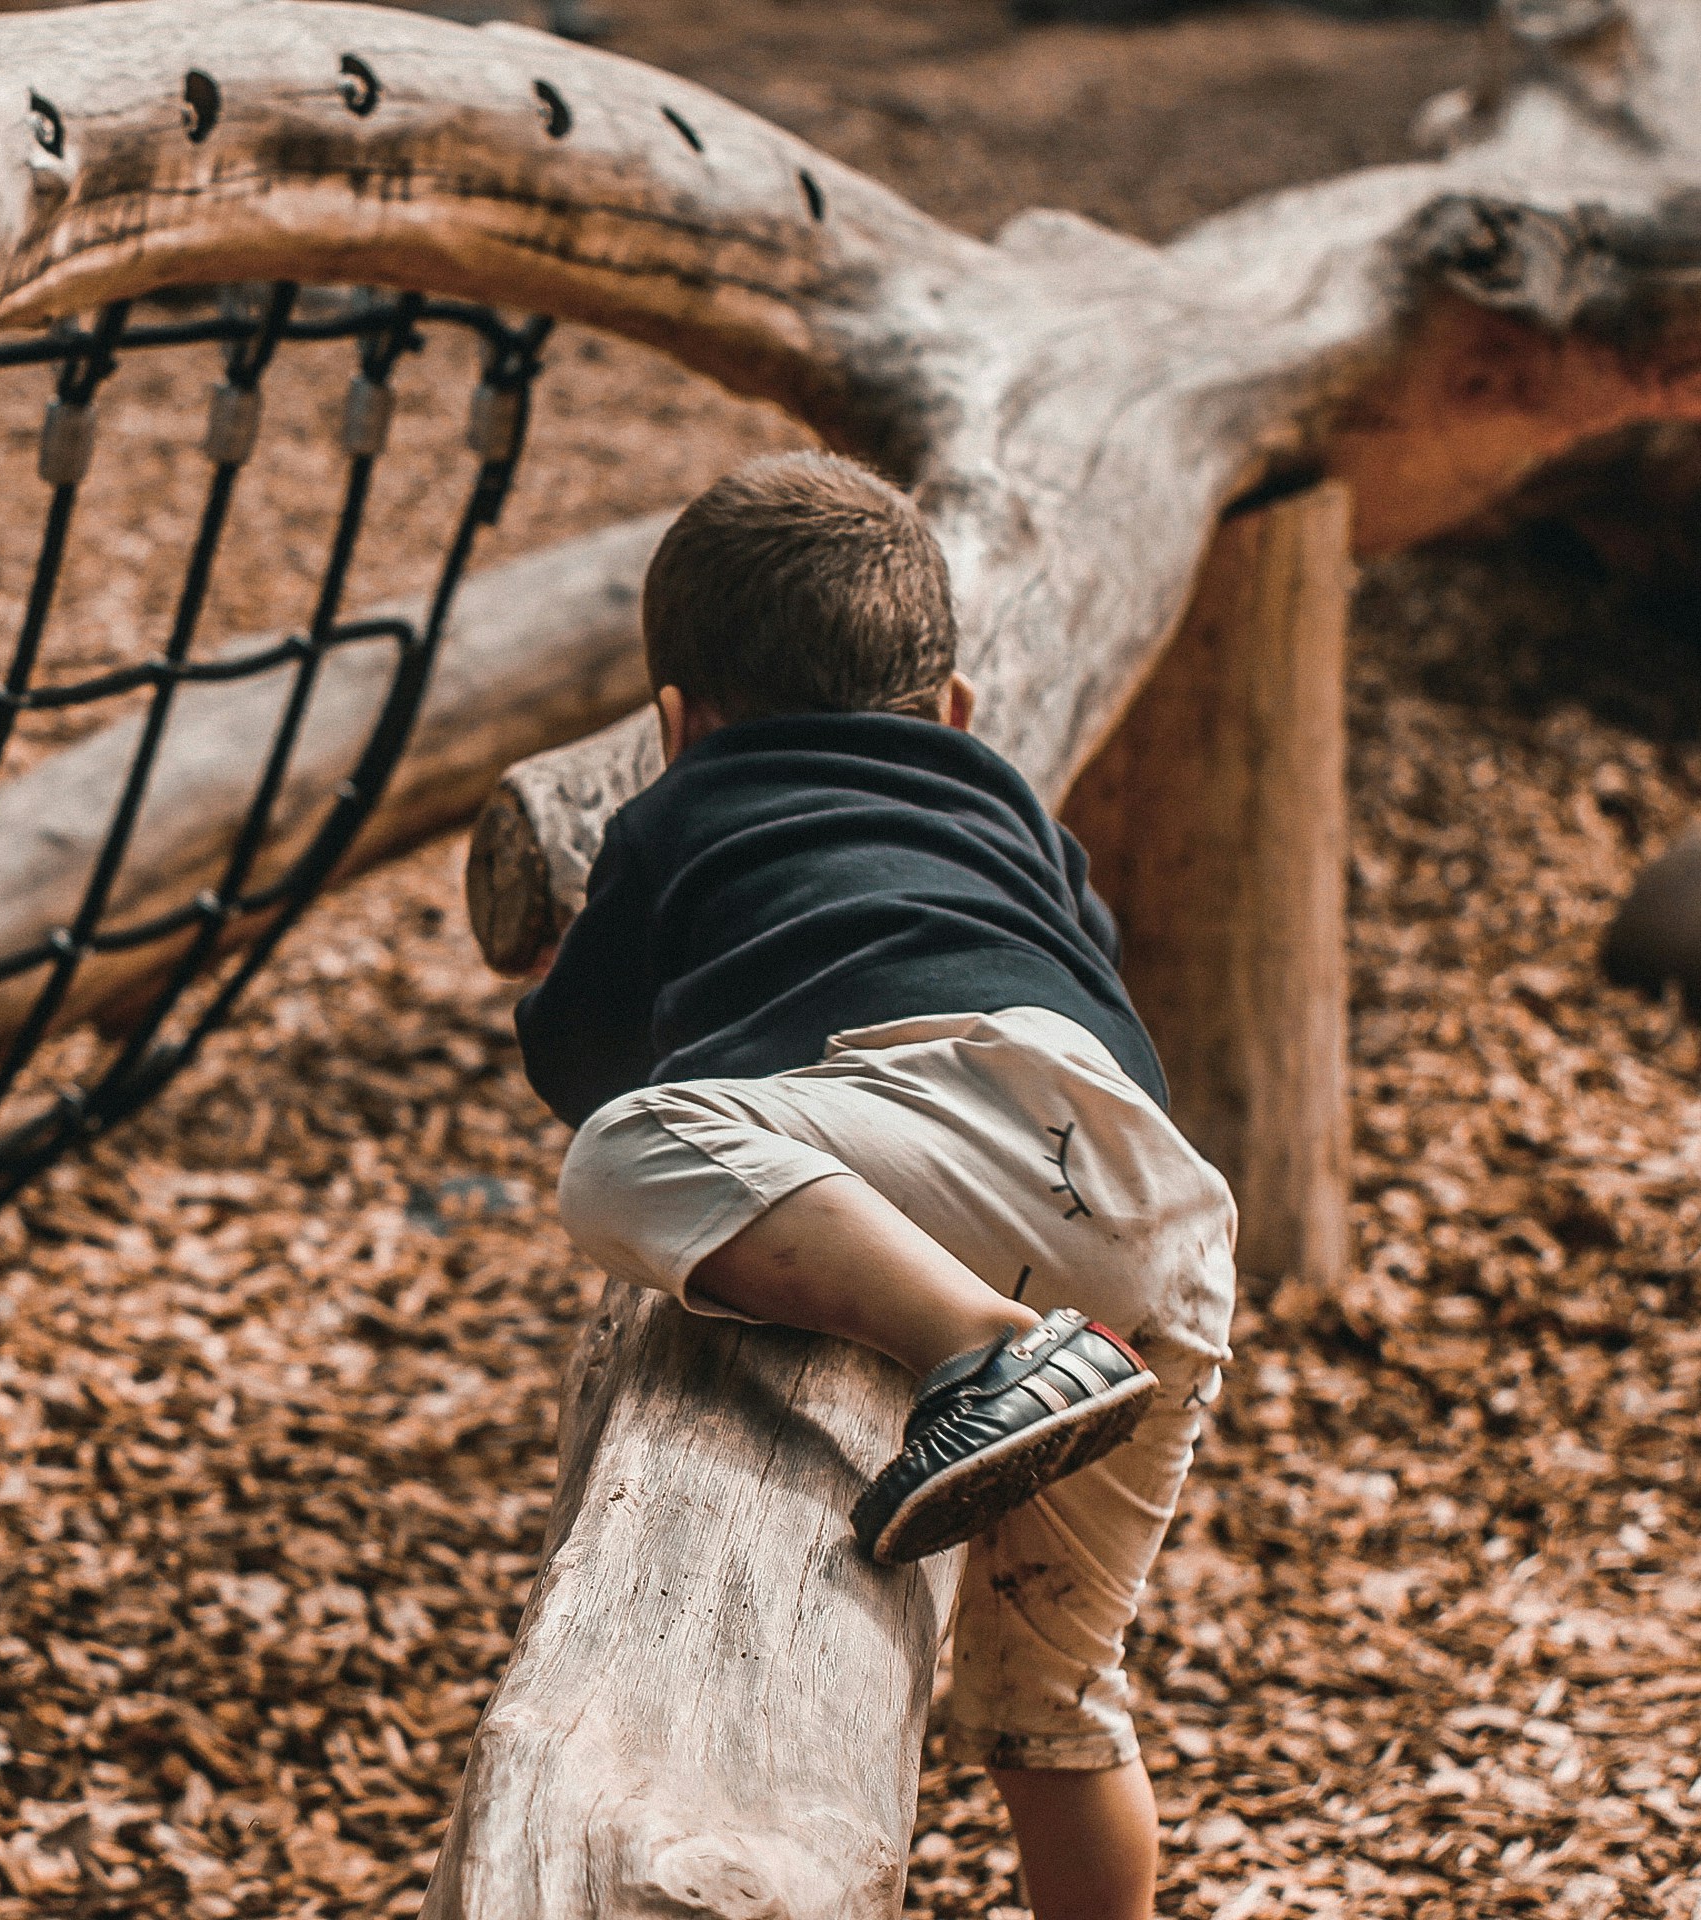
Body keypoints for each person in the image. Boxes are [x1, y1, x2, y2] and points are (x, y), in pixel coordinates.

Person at [515, 452, 1236, 1920]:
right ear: (957, 710)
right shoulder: (1011, 811)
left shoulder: (680, 807)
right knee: (1055, 1707)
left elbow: (580, 1065)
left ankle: (984, 1351)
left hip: (956, 1139)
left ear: (674, 723)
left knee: (620, 1157)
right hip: (1153, 1205)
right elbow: (1075, 960)